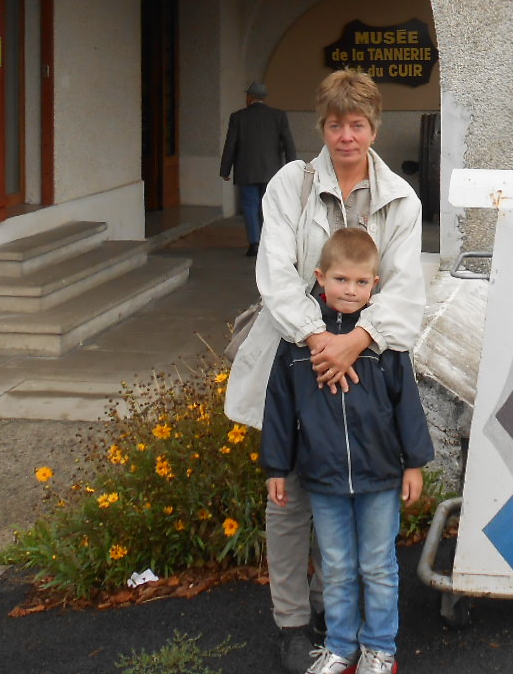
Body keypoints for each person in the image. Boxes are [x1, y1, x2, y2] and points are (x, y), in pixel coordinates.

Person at [225, 69, 426, 674]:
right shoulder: (292, 183)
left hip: (367, 362)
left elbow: (405, 287)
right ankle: (293, 621)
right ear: (322, 126)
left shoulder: (400, 199)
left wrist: (357, 341)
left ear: (374, 127)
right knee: (290, 497)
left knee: (355, 491)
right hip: (296, 356)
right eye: (336, 124)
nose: (346, 136)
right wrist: (319, 339)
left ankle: (341, 625)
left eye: (357, 124)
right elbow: (276, 274)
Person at [262, 228, 432, 674]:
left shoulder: (383, 342)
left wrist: (414, 463)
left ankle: (380, 649)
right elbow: (279, 408)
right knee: (335, 567)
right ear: (320, 279)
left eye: (360, 282)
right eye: (340, 280)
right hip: (323, 476)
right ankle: (340, 648)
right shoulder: (298, 344)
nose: (350, 290)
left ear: (375, 284)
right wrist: (277, 467)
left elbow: (407, 404)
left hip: (379, 475)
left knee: (377, 565)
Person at [221, 81, 298, 256]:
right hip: (272, 171)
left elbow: (230, 145)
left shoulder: (237, 117)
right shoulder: (278, 116)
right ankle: (268, 242)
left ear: (249, 98)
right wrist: (292, 167)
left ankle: (254, 243)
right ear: (264, 97)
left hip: (246, 170)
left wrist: (225, 170)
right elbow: (288, 144)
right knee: (269, 207)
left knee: (249, 205)